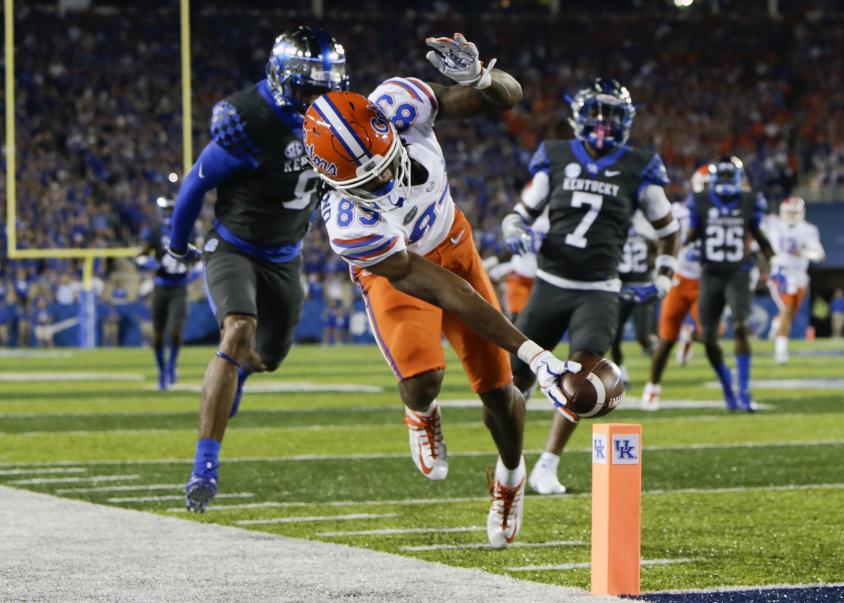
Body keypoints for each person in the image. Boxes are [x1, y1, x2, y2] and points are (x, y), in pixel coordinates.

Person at [305, 33, 578, 548]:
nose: (383, 184)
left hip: (453, 243)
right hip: (399, 268)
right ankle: (422, 413)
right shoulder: (349, 223)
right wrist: (534, 352)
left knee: (500, 393)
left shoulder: (399, 103)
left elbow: (506, 96)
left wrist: (479, 78)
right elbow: (440, 290)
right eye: (366, 182)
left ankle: (511, 476)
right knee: (422, 378)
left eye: (385, 167)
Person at [168, 27, 350, 512]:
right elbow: (195, 183)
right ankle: (204, 465)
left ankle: (239, 373)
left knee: (266, 356)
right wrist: (176, 242)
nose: (320, 98)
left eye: (328, 87)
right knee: (237, 330)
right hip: (233, 247)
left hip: (286, 257)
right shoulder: (248, 119)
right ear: (281, 76)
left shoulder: (338, 119)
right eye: (310, 87)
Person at [501, 78, 680, 495]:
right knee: (515, 380)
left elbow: (668, 228)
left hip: (599, 289)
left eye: (612, 114)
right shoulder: (558, 155)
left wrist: (666, 276)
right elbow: (523, 210)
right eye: (596, 113)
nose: (603, 122)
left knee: (581, 381)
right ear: (579, 117)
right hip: (549, 283)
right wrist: (513, 226)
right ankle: (509, 462)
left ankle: (547, 464)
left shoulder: (640, 165)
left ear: (626, 120)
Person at [685, 157, 774, 411]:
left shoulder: (749, 201)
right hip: (711, 273)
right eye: (721, 178)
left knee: (741, 326)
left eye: (728, 177)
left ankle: (744, 391)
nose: (724, 183)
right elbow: (692, 233)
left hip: (739, 272)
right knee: (709, 337)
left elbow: (758, 233)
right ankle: (728, 386)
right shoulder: (700, 201)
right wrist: (682, 251)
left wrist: (772, 261)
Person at [639, 167, 709, 410]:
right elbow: (660, 237)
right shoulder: (680, 212)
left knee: (712, 335)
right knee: (666, 339)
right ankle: (652, 387)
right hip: (680, 278)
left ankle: (690, 336)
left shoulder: (727, 214)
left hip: (708, 281)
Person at [136, 196, 196, 390]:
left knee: (176, 332)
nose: (169, 214)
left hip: (179, 287)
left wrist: (195, 271)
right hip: (161, 286)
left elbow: (199, 256)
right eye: (167, 209)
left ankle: (171, 366)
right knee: (158, 335)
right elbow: (140, 256)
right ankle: (162, 371)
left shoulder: (189, 229)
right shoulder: (154, 231)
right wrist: (147, 262)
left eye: (172, 209)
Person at [764, 197, 825, 364]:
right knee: (787, 307)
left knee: (790, 314)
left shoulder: (809, 230)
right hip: (780, 273)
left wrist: (803, 252)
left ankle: (777, 325)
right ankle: (781, 351)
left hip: (799, 276)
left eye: (794, 212)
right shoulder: (773, 224)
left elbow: (819, 254)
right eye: (788, 212)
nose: (791, 215)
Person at [610, 216, 659, 387]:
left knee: (643, 337)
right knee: (614, 336)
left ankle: (656, 372)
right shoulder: (639, 229)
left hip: (641, 288)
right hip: (624, 289)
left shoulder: (643, 228)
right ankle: (621, 373)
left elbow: (657, 253)